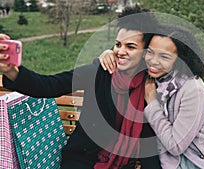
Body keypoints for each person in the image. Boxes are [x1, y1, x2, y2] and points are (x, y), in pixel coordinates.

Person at [0, 5, 161, 169]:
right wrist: (12, 71)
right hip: (82, 159)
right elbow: (48, 85)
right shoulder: (99, 72)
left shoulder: (150, 86)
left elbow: (149, 144)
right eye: (118, 44)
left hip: (123, 163)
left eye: (130, 46)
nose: (120, 51)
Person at [100, 24, 204, 168]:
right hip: (165, 163)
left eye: (164, 56)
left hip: (197, 163)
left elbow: (175, 146)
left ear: (180, 60)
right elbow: (128, 56)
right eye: (150, 52)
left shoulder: (193, 90)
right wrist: (108, 54)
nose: (153, 61)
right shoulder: (155, 77)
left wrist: (152, 103)